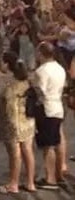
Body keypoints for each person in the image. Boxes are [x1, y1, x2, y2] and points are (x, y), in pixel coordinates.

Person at [0, 51, 36, 193]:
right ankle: (30, 182)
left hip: (11, 121)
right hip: (27, 120)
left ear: (7, 64)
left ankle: (13, 183)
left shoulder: (5, 80)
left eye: (2, 61)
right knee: (27, 149)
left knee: (14, 153)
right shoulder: (26, 78)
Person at [32, 41, 66, 190]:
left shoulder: (42, 71)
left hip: (46, 109)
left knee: (48, 146)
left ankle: (50, 178)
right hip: (58, 107)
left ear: (41, 54)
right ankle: (58, 174)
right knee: (56, 142)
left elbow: (40, 92)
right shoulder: (60, 68)